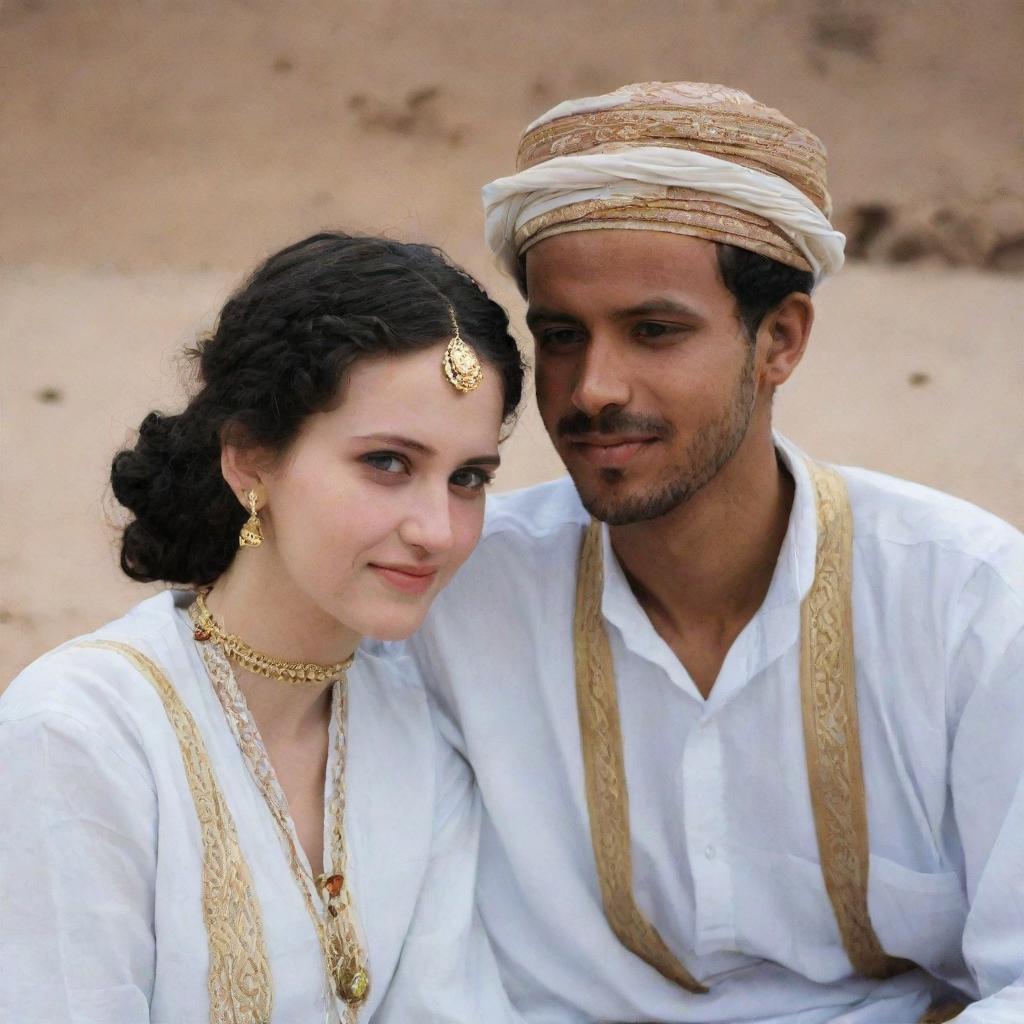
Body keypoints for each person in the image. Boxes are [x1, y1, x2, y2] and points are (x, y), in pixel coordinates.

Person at [404, 82, 1024, 1023]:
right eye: (562, 337)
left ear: (779, 340)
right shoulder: (456, 596)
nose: (594, 388)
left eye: (655, 331)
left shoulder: (965, 602)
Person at [0, 232, 526, 1023]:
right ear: (248, 460)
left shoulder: (417, 738)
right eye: (387, 462)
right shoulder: (81, 733)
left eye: (468, 479)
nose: (438, 530)